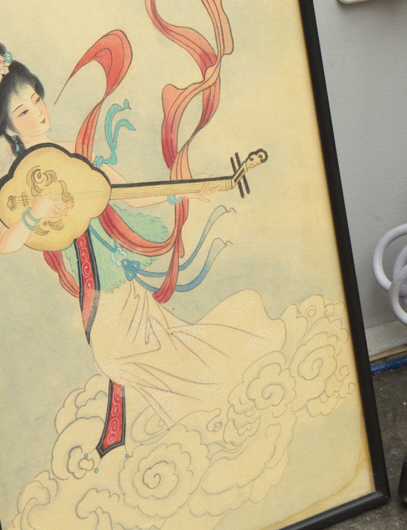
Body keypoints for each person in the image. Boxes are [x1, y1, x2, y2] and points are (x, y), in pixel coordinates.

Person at [0, 43, 285, 432]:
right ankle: (199, 408)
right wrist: (35, 213)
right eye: (23, 112)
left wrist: (186, 188)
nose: (38, 113)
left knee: (117, 355)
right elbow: (6, 243)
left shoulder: (75, 154)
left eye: (36, 99)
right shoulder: (11, 186)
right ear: (8, 128)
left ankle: (211, 393)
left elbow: (128, 193)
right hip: (89, 285)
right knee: (136, 351)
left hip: (113, 276)